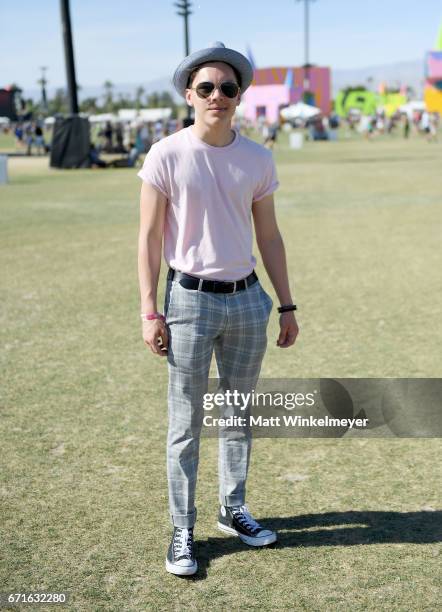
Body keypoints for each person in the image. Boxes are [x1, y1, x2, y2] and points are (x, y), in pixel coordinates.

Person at [137, 41, 299, 577]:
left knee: (237, 415)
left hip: (249, 300)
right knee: (184, 423)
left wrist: (287, 304)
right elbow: (148, 239)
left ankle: (234, 510)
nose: (217, 96)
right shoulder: (166, 154)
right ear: (189, 95)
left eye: (228, 88)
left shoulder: (257, 158)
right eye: (206, 88)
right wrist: (148, 310)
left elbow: (269, 236)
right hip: (188, 302)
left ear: (239, 97)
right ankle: (183, 529)